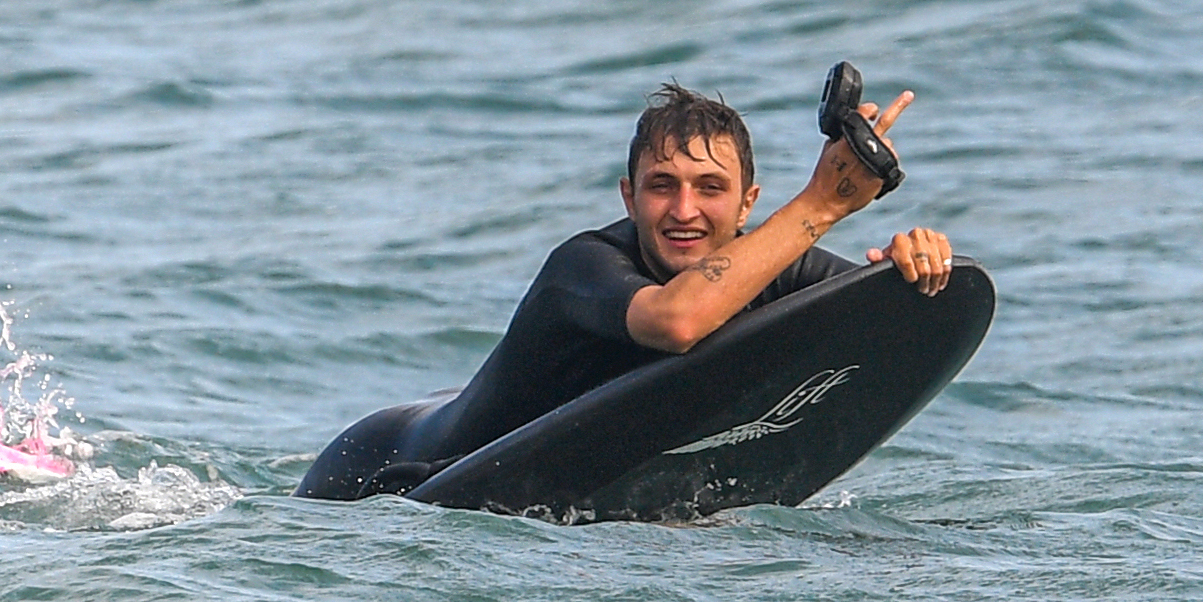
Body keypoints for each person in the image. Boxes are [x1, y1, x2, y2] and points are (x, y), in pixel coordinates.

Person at [391, 80, 955, 469]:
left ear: (747, 206)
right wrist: (822, 204)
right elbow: (677, 318)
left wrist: (915, 269)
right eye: (662, 186)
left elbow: (883, 333)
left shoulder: (785, 272)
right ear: (629, 199)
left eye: (710, 188)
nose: (684, 211)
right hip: (398, 473)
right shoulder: (583, 268)